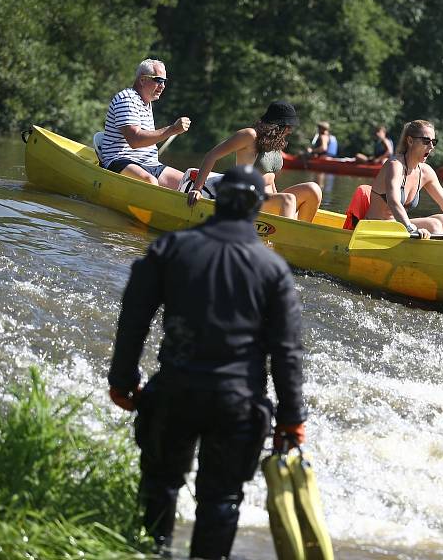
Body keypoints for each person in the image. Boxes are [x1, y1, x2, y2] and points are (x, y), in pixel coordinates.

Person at [107, 165, 307, 559]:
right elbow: (286, 352)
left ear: (217, 202)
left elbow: (133, 317)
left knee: (161, 483)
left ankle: (150, 553)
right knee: (221, 498)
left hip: (175, 389)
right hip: (238, 401)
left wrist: (123, 378)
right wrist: (291, 418)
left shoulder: (170, 249)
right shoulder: (273, 270)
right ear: (257, 208)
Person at [346, 120, 443, 239]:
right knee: (434, 225)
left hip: (396, 227)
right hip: (373, 229)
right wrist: (410, 228)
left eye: (434, 141)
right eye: (426, 141)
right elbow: (394, 201)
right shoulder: (394, 165)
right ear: (410, 141)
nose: (431, 146)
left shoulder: (426, 172)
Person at [187, 101, 322, 222]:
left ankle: (299, 234)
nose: (290, 130)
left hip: (269, 200)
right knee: (289, 199)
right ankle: (284, 242)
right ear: (278, 124)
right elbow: (212, 155)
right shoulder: (250, 135)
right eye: (288, 126)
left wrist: (279, 203)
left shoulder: (275, 142)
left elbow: (270, 178)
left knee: (313, 189)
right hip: (248, 200)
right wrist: (197, 189)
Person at [99, 58, 191, 189]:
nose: (163, 86)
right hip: (120, 161)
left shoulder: (147, 102)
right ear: (142, 80)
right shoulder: (126, 98)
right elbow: (135, 140)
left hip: (150, 163)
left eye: (164, 81)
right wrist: (173, 129)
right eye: (158, 80)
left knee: (189, 184)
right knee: (150, 182)